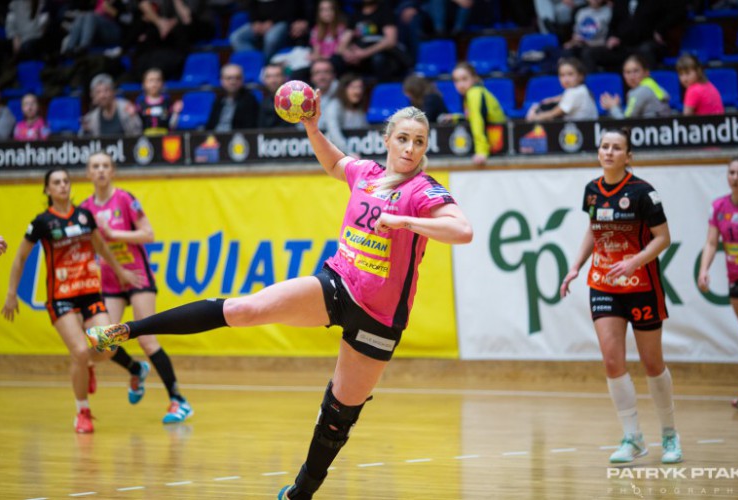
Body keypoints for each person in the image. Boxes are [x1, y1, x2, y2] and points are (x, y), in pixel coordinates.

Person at [86, 101, 473, 499]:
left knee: (338, 415)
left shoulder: (423, 189)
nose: (410, 148)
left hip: (380, 318)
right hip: (339, 284)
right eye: (403, 138)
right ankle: (126, 329)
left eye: (419, 142)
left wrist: (404, 221)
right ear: (387, 140)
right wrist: (312, 128)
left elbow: (462, 230)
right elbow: (334, 163)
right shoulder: (366, 173)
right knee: (245, 308)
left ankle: (300, 493)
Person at [560, 128, 682, 465]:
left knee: (652, 363)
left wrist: (634, 261)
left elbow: (663, 238)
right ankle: (633, 438)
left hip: (642, 286)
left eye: (617, 148)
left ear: (628, 156)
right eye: (605, 146)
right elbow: (593, 229)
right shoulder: (592, 191)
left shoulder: (643, 193)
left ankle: (670, 434)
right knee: (612, 362)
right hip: (604, 285)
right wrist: (575, 266)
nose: (609, 152)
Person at [1, 168, 143, 433]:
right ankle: (83, 412)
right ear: (48, 189)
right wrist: (11, 293)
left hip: (90, 293)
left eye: (66, 181)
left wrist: (121, 272)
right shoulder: (42, 222)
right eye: (56, 182)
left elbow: (101, 247)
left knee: (110, 345)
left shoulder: (84, 215)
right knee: (79, 351)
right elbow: (20, 258)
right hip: (61, 298)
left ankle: (86, 366)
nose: (63, 185)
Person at [80, 151, 194, 423]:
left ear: (112, 171)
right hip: (110, 281)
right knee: (104, 339)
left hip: (137, 277)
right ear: (88, 173)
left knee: (146, 339)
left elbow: (148, 234)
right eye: (95, 166)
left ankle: (178, 400)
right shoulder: (85, 209)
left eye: (105, 166)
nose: (101, 170)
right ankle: (135, 369)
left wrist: (114, 234)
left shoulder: (125, 199)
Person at [698, 155, 738, 411]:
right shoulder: (719, 206)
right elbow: (711, 242)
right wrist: (704, 269)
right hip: (735, 275)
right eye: (732, 173)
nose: (735, 178)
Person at [337, 0, 411, 81]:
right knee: (337, 59)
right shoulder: (356, 14)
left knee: (378, 59)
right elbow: (342, 45)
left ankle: (383, 85)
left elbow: (390, 41)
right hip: (361, 56)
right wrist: (348, 54)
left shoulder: (384, 11)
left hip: (383, 54)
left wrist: (365, 53)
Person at [451, 62, 507, 166]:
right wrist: (455, 117)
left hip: (498, 142)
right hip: (498, 143)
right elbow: (472, 117)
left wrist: (481, 152)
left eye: (464, 79)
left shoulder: (474, 93)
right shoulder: (476, 92)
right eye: (456, 80)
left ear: (474, 78)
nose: (460, 84)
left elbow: (477, 122)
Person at [526, 57, 598, 122]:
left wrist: (534, 117)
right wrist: (552, 100)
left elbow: (553, 113)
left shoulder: (574, 92)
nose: (566, 79)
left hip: (584, 129)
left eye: (570, 74)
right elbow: (563, 97)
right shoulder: (583, 89)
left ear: (581, 76)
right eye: (562, 75)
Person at [600, 54, 671, 119]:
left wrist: (613, 107)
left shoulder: (640, 91)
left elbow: (626, 123)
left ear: (646, 72)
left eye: (636, 71)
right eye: (628, 72)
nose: (631, 76)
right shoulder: (652, 85)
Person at [81, 73, 143, 137]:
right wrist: (86, 131)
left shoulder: (126, 108)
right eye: (98, 92)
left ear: (113, 91)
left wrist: (132, 117)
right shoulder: (92, 117)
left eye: (106, 91)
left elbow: (137, 134)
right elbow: (83, 139)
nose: (102, 96)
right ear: (93, 95)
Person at [205, 63, 259, 132]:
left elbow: (249, 129)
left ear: (242, 80)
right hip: (215, 137)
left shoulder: (250, 100)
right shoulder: (218, 100)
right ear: (221, 80)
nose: (233, 82)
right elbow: (210, 127)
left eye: (237, 78)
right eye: (229, 78)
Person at [324, 73, 368, 149]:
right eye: (353, 87)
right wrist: (348, 152)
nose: (358, 91)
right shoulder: (334, 106)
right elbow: (333, 132)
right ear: (344, 89)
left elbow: (364, 133)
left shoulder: (359, 110)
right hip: (332, 150)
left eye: (360, 87)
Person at [136, 68, 183, 136]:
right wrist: (133, 114)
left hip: (165, 136)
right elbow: (136, 127)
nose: (154, 84)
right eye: (151, 80)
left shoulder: (167, 101)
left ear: (162, 83)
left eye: (158, 80)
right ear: (144, 84)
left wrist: (176, 113)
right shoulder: (140, 103)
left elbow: (172, 125)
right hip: (146, 138)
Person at [257, 63, 294, 129]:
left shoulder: (295, 100)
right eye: (269, 76)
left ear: (284, 78)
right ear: (263, 80)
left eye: (277, 76)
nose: (273, 80)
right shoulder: (263, 103)